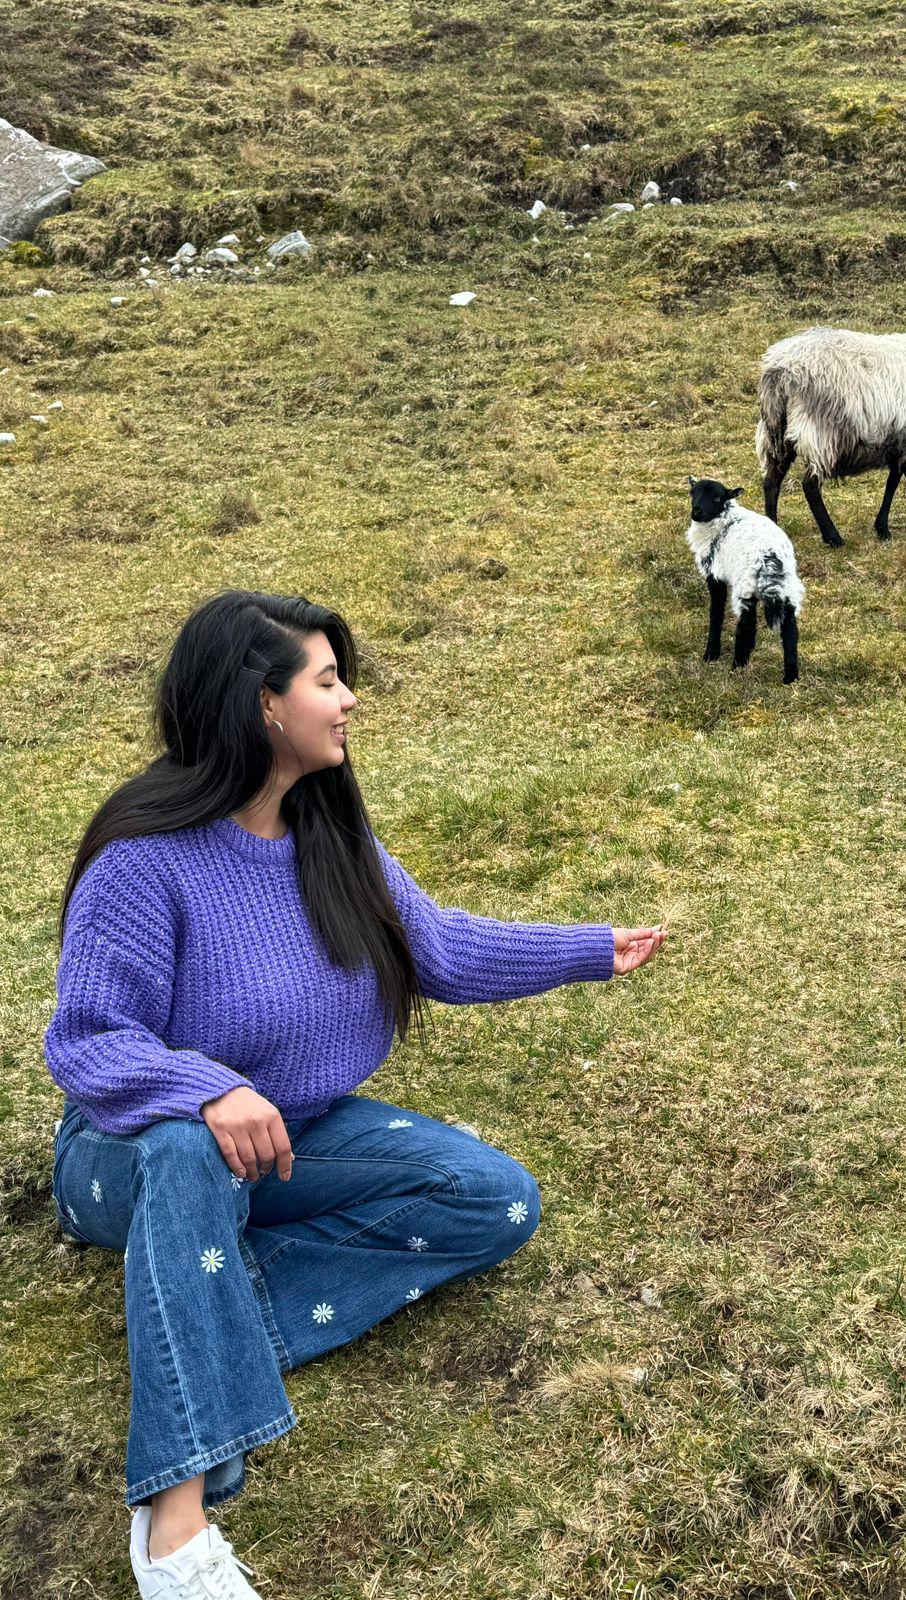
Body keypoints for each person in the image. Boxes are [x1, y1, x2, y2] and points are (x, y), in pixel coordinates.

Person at [43, 589, 666, 1600]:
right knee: (188, 1150)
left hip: (290, 1138)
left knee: (494, 1198)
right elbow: (86, 1040)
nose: (349, 701)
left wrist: (593, 949)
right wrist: (205, 1089)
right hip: (127, 1151)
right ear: (261, 705)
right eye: (326, 681)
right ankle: (174, 1530)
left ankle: (192, 1320)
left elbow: (445, 950)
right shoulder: (142, 862)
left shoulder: (328, 837)